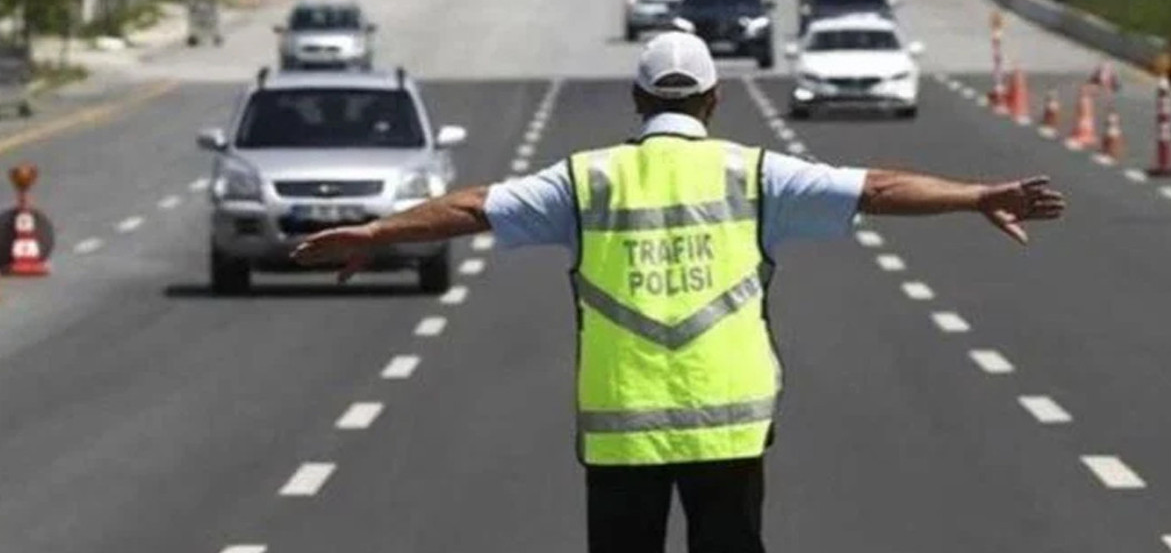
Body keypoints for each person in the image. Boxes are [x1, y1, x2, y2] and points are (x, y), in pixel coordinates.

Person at [290, 32, 1066, 553]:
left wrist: (376, 233)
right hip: (728, 430)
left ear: (636, 100)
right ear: (712, 100)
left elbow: (471, 207)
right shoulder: (756, 175)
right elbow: (878, 187)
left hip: (622, 431)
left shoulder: (586, 180)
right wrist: (973, 195)